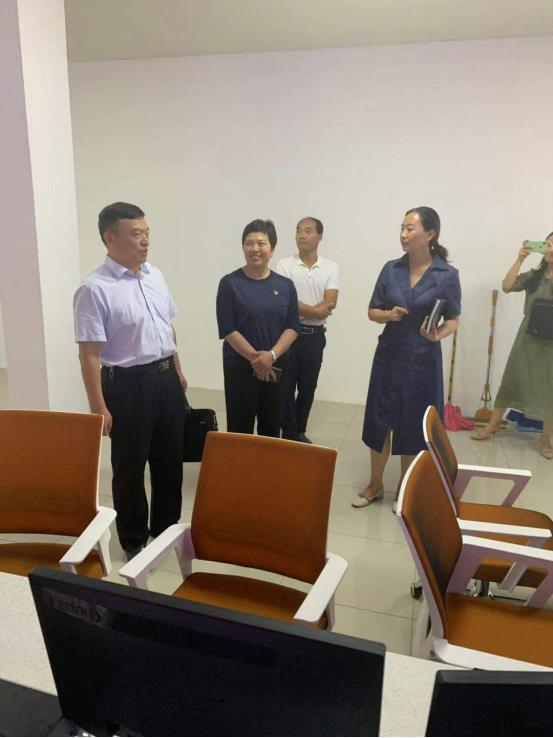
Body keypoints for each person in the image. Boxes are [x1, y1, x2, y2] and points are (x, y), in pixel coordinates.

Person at [73, 202, 187, 560]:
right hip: (127, 385)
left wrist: (178, 370)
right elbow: (89, 354)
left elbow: (167, 326)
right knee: (130, 467)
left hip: (166, 379)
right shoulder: (94, 289)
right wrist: (98, 406)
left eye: (147, 233)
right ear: (110, 238)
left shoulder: (155, 276)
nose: (145, 241)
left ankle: (166, 530)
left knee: (170, 461)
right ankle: (134, 539)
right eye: (136, 234)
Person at [353, 206, 461, 511]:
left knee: (413, 422)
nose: (403, 234)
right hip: (389, 354)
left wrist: (437, 335)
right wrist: (388, 315)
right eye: (402, 228)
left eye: (410, 228)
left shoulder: (447, 275)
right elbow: (372, 311)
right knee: (380, 419)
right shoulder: (391, 269)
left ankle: (404, 487)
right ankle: (375, 484)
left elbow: (454, 319)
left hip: (423, 359)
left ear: (430, 233)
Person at [471, 235, 553, 459]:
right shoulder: (534, 276)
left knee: (550, 390)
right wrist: (520, 259)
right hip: (527, 337)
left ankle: (546, 439)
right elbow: (507, 286)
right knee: (511, 380)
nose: (550, 248)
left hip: (551, 342)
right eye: (548, 244)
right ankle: (491, 426)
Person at [216, 219, 299, 436]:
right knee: (239, 429)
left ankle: (266, 462)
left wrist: (271, 356)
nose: (255, 248)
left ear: (272, 249)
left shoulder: (285, 285)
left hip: (276, 367)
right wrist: (257, 360)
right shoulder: (230, 283)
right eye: (249, 243)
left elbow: (292, 327)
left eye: (261, 243)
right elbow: (228, 328)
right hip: (239, 367)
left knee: (271, 428)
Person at [276, 217, 339, 443]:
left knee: (308, 388)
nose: (301, 235)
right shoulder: (284, 265)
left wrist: (299, 310)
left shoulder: (330, 267)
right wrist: (315, 311)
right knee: (285, 388)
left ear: (320, 236)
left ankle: (299, 431)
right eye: (298, 231)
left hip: (315, 338)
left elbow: (331, 302)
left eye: (308, 231)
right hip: (289, 336)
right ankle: (289, 435)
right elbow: (285, 302)